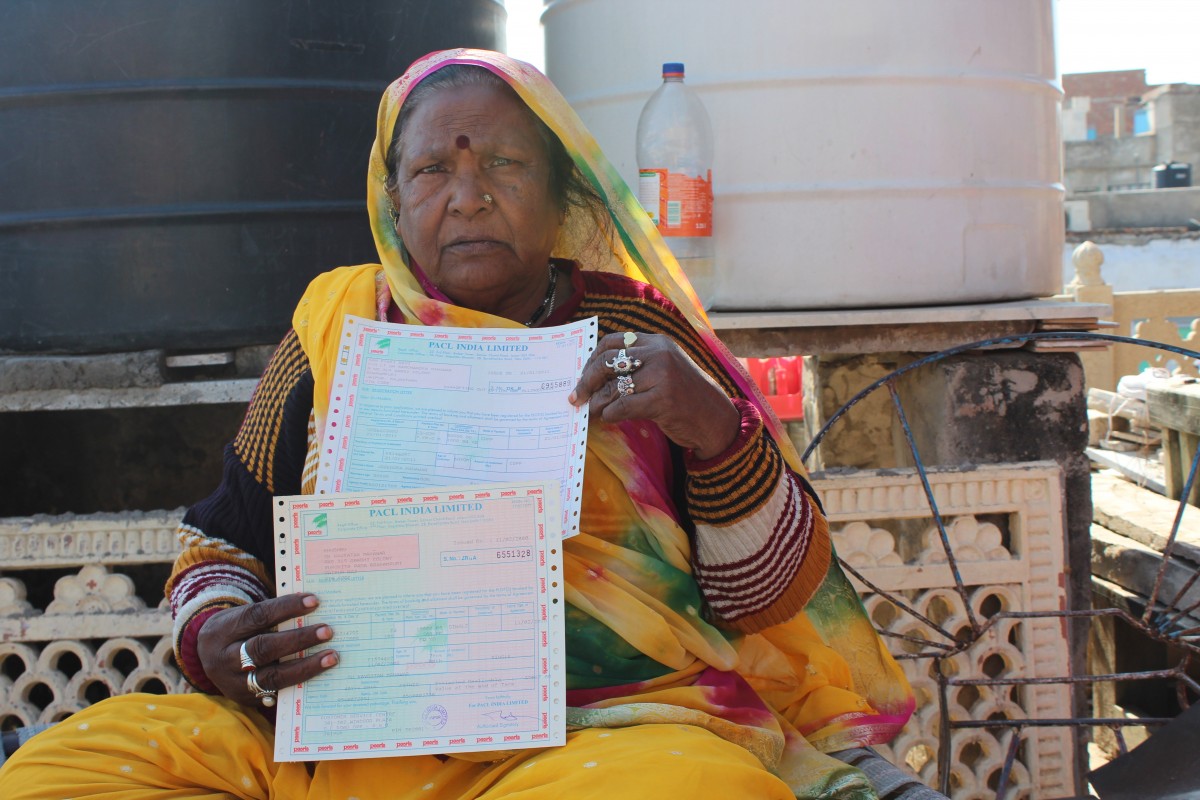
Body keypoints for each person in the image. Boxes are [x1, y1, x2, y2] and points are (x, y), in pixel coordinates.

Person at [0, 49, 924, 799]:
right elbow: (222, 542)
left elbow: (768, 601)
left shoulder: (642, 335)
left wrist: (717, 430)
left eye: (504, 164)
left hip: (599, 734)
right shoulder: (336, 330)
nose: (468, 195)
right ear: (394, 203)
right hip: (338, 741)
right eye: (433, 169)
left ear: (562, 194)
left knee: (689, 792)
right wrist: (223, 639)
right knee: (62, 772)